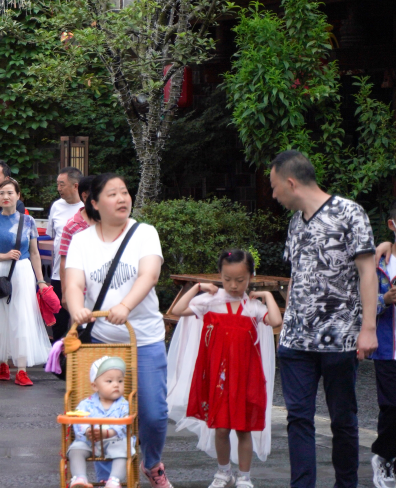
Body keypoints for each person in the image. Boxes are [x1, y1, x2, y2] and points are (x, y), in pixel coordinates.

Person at [268, 150, 377, 488]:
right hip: (296, 340)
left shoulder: (350, 213)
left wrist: (368, 328)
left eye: (274, 188)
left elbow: (367, 272)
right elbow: (299, 276)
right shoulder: (295, 221)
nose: (273, 195)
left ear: (290, 182)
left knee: (343, 420)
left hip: (340, 337)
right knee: (298, 419)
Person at [64, 173, 170, 488]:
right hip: (101, 343)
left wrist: (125, 306)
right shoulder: (82, 240)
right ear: (94, 203)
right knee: (101, 414)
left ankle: (152, 463)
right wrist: (76, 309)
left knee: (153, 414)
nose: (122, 198)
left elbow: (149, 275)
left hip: (145, 339)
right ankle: (106, 478)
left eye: (124, 192)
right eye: (112, 194)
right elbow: (73, 283)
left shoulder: (144, 233)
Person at [168, 250, 282, 488]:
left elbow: (276, 320)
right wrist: (198, 286)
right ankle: (223, 473)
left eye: (240, 280)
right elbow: (177, 311)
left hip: (245, 378)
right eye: (227, 279)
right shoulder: (210, 303)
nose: (233, 285)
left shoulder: (253, 308)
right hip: (218, 379)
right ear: (219, 275)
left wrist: (266, 295)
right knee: (220, 429)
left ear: (250, 276)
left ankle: (244, 476)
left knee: (243, 429)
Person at [0, 178, 51, 387]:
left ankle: (22, 369)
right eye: (1, 193)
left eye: (10, 193)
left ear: (18, 196)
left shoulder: (29, 221)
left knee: (22, 317)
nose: (5, 197)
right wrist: (4, 256)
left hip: (23, 272)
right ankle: (3, 362)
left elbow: (34, 253)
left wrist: (41, 280)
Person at [67, 357, 131, 488]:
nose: (116, 384)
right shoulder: (86, 404)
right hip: (90, 441)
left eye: (120, 381)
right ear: (95, 386)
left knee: (125, 450)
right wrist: (87, 430)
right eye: (109, 381)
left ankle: (114, 480)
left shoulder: (124, 405)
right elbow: (78, 419)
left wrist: (110, 432)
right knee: (75, 450)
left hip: (114, 440)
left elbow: (125, 424)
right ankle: (80, 478)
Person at [370, 202, 396, 488]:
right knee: (391, 406)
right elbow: (360, 303)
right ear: (392, 225)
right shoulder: (378, 264)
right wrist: (383, 301)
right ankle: (384, 457)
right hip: (388, 348)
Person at [49, 168, 84, 335]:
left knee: (82, 321)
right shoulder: (56, 206)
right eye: (57, 184)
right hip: (58, 274)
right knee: (59, 323)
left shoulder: (88, 208)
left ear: (75, 186)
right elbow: (53, 238)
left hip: (83, 275)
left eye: (62, 185)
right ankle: (58, 359)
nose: (58, 188)